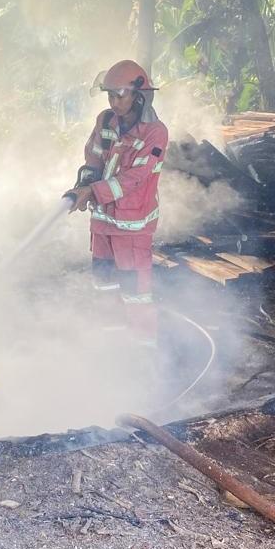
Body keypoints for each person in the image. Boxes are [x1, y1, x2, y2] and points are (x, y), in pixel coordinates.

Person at [66, 60, 169, 347]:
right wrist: (84, 183)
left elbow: (134, 178)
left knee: (135, 292)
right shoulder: (106, 120)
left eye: (118, 95)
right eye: (109, 95)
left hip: (132, 227)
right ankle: (111, 346)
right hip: (102, 224)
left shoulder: (155, 132)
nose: (113, 102)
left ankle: (143, 352)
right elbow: (94, 156)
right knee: (104, 285)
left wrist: (92, 192)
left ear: (138, 94)